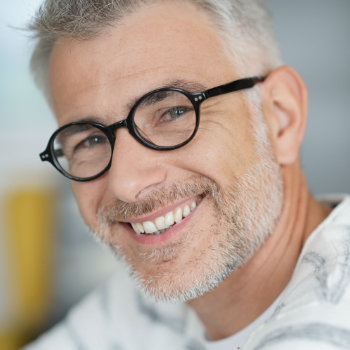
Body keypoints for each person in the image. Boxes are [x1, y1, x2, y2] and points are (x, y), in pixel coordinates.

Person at [24, 0, 350, 349]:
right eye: (90, 140)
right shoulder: (137, 307)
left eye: (173, 112)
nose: (126, 184)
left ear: (281, 117)